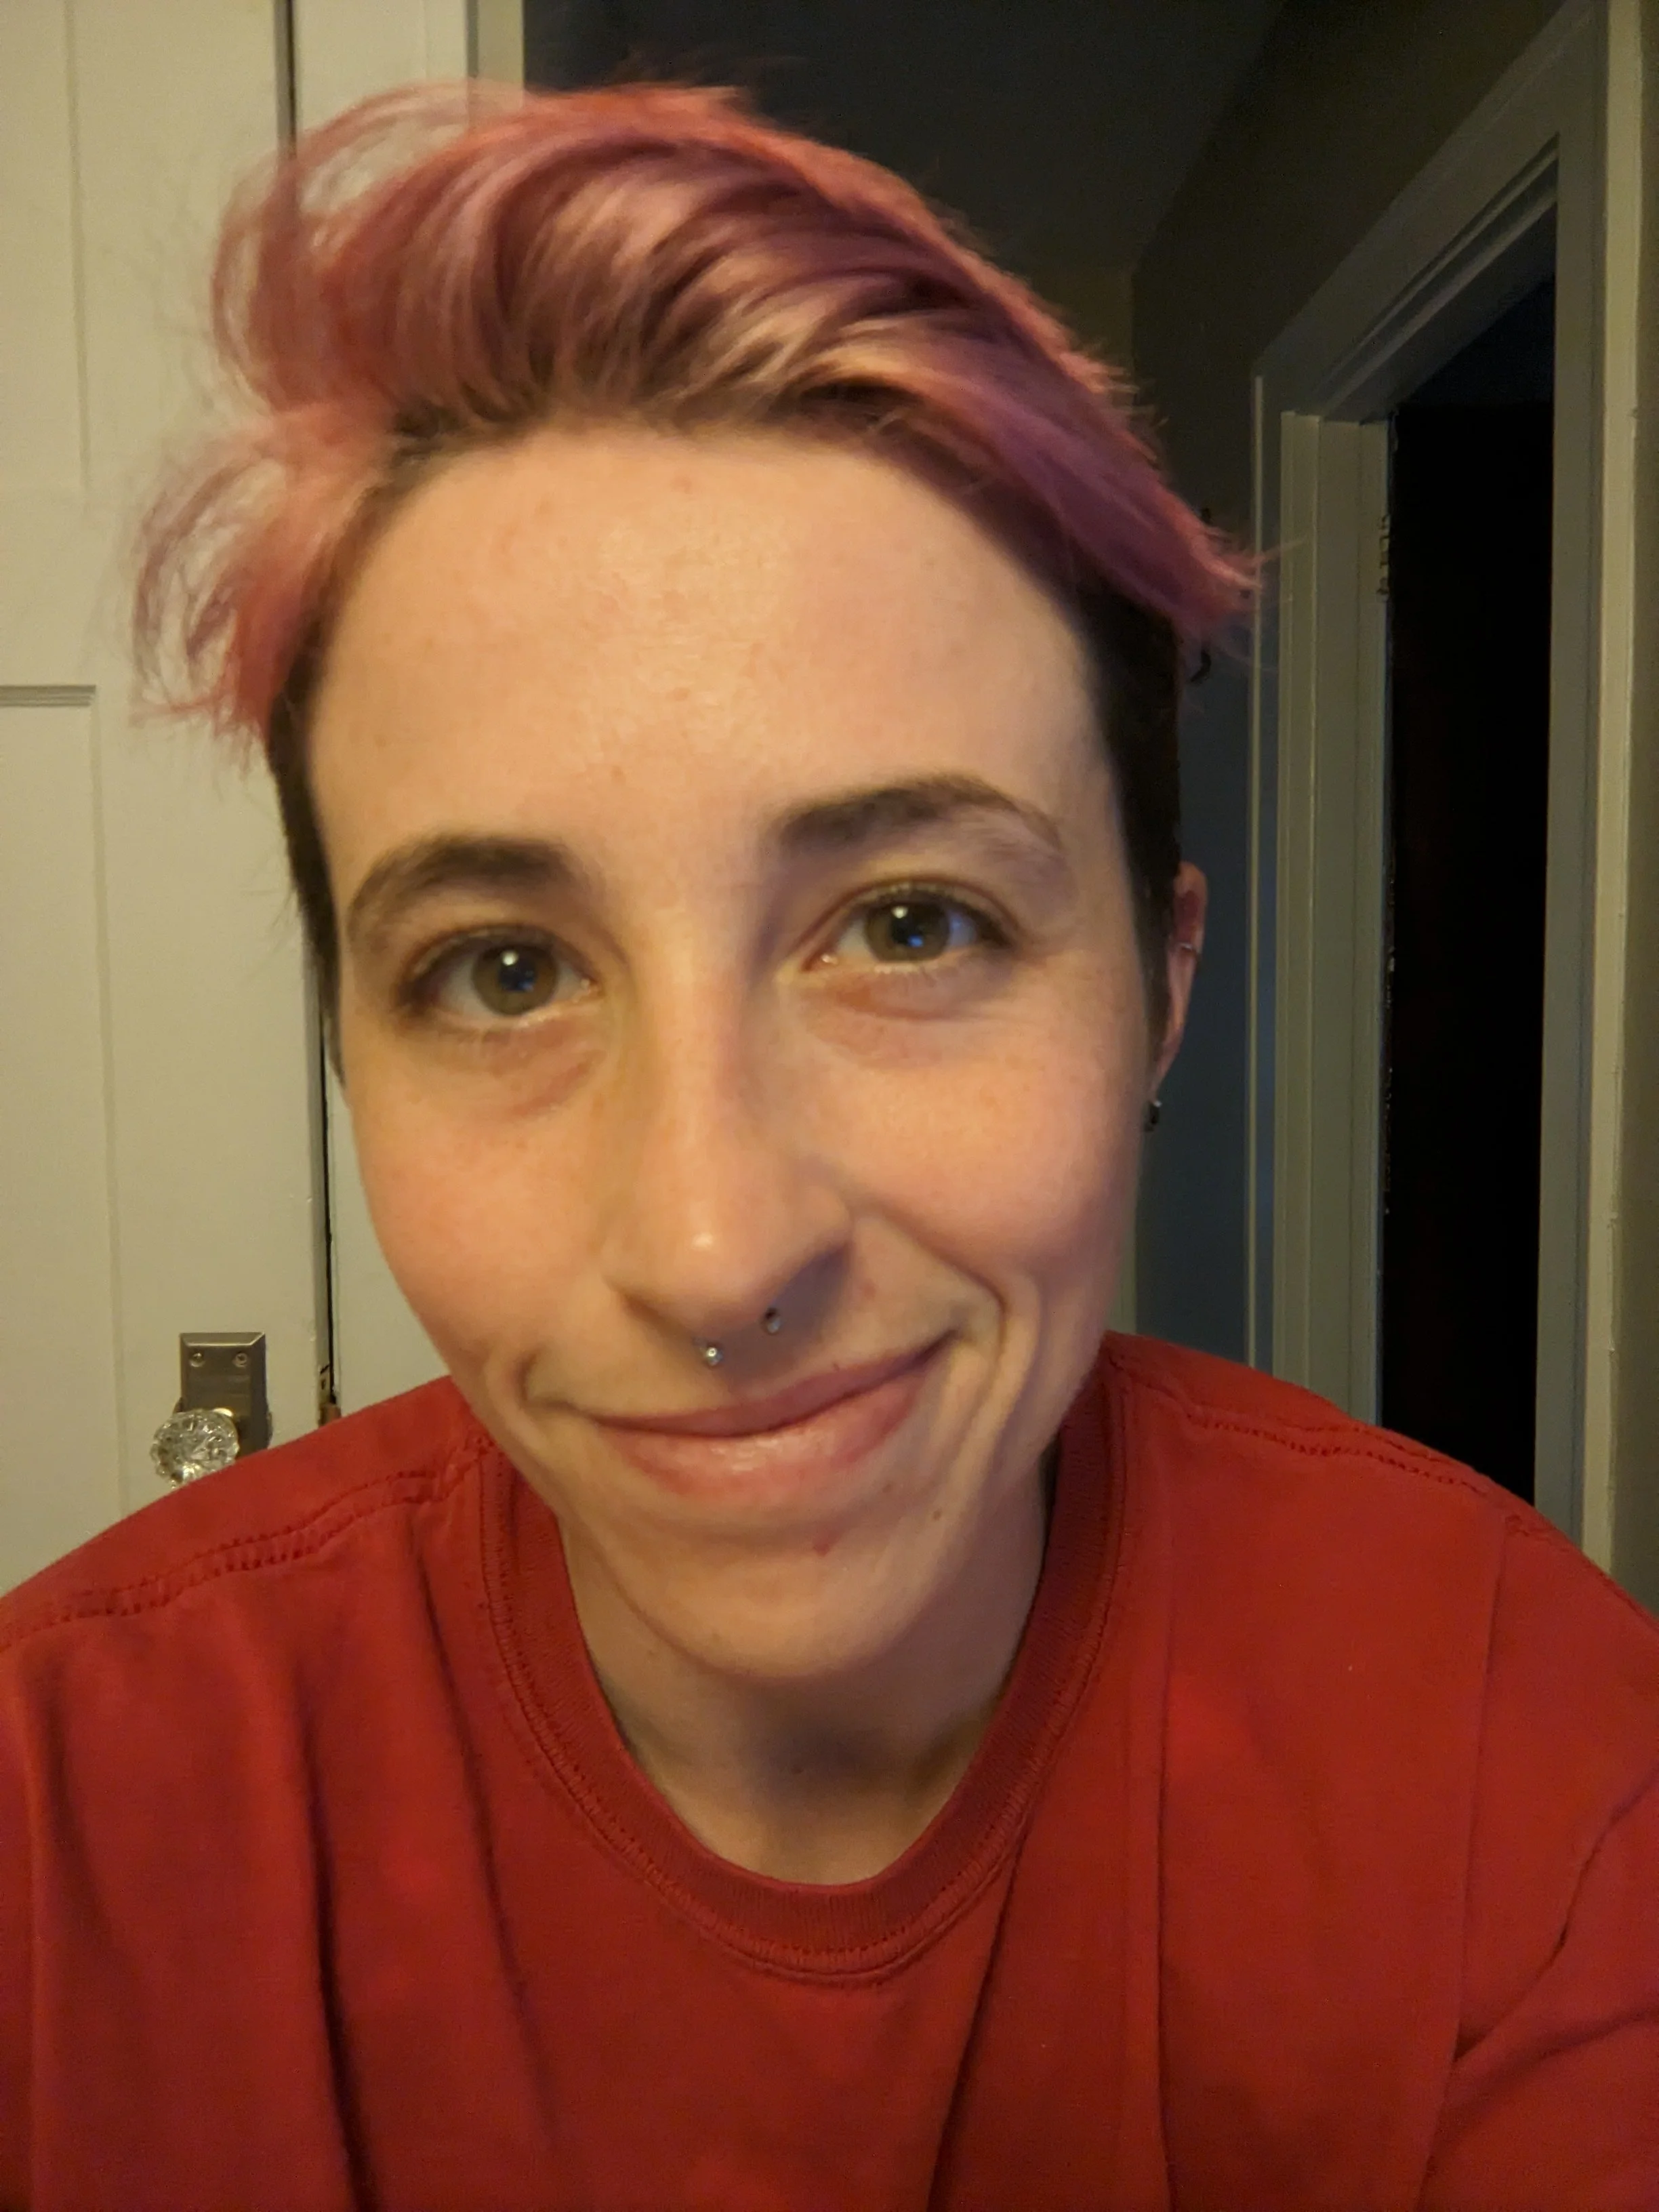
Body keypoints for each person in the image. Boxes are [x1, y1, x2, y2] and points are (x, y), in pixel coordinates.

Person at [1, 80, 1655, 2211]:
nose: (713, 1249)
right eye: (504, 970)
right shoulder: (62, 1823)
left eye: (910, 926)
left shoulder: (1516, 1754)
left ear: (1158, 985)